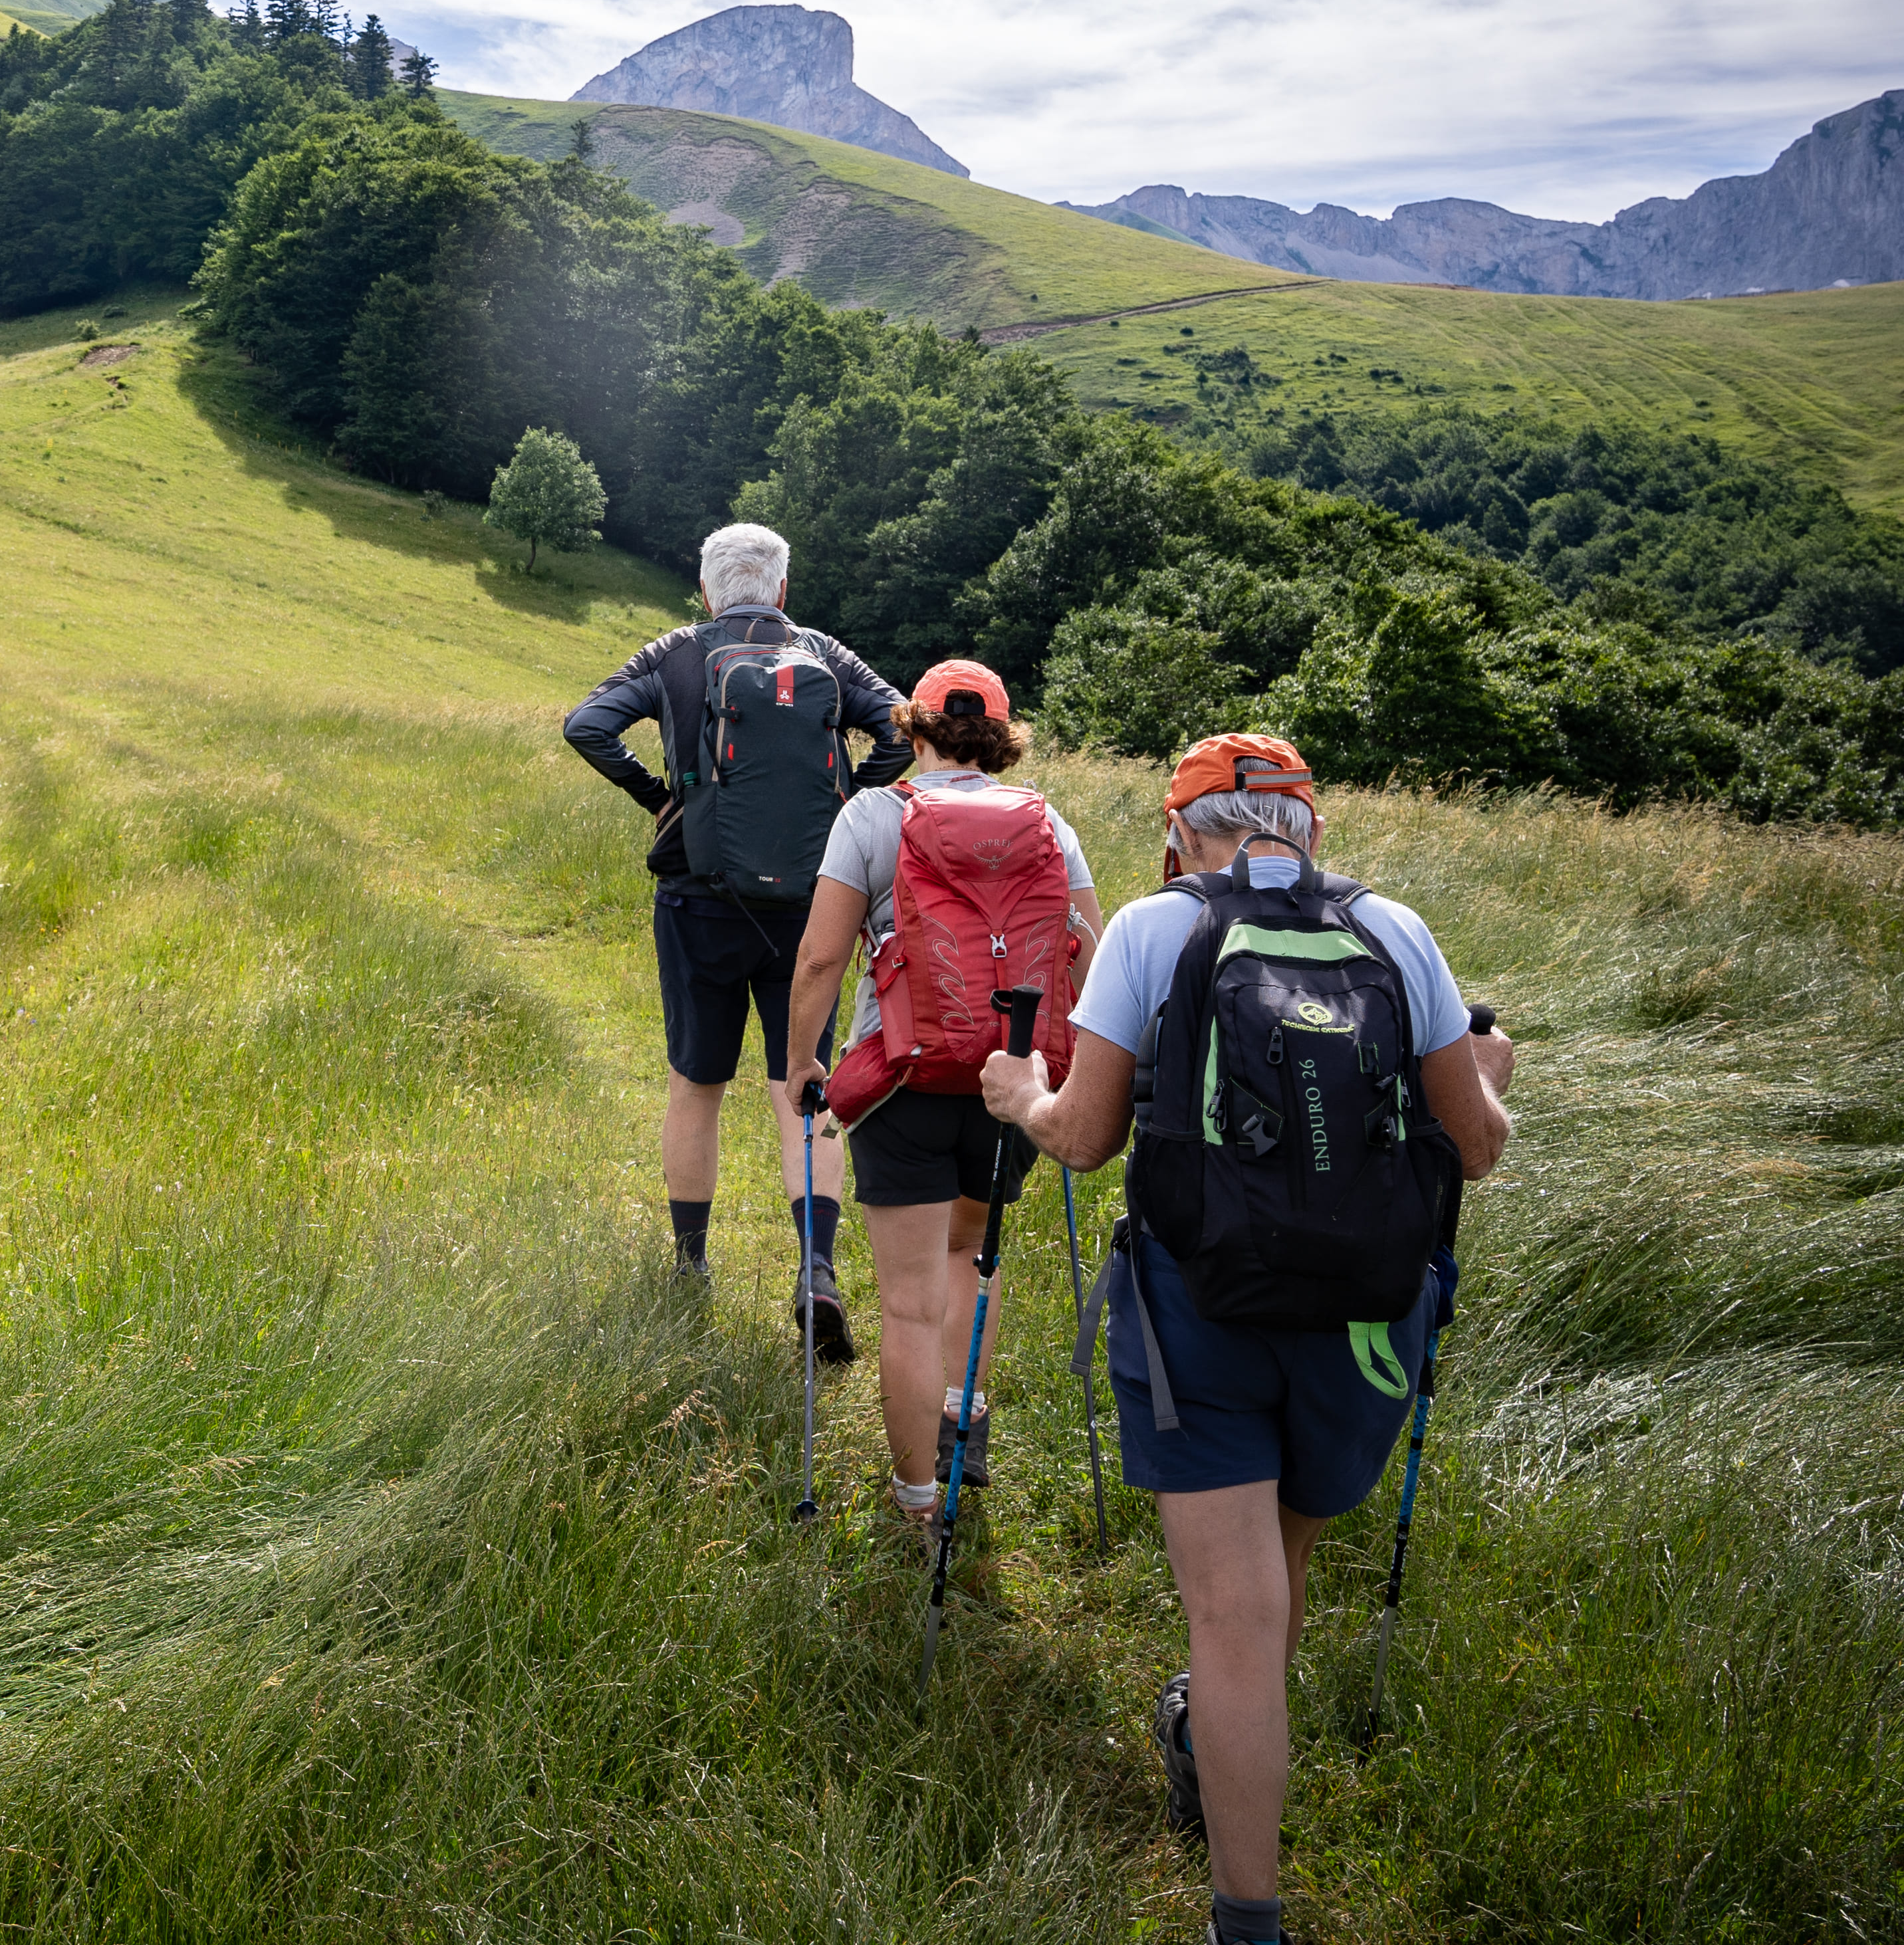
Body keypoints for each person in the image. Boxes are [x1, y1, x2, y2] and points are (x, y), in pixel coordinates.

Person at [975, 733, 1516, 1945]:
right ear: (1309, 829)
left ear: (1178, 835)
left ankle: (1247, 1919)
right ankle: (1212, 1740)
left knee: (1232, 1617)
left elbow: (1084, 1137)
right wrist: (1494, 1072)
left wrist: (1018, 1096)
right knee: (1276, 1583)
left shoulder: (1156, 930)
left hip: (1199, 1311)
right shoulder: (1400, 933)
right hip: (1366, 1321)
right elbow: (1475, 1146)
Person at [562, 520, 908, 1349]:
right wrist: (850, 805)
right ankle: (815, 1269)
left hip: (698, 897)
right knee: (804, 1082)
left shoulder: (673, 650)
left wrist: (659, 798)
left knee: (696, 1084)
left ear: (707, 588)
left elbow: (585, 724)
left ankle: (691, 1267)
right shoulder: (826, 652)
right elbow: (905, 726)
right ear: (783, 589)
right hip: (810, 909)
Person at [780, 661, 1101, 1523]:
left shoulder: (874, 816)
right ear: (999, 739)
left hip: (903, 1076)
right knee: (974, 1258)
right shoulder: (1048, 824)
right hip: (1012, 1084)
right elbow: (1090, 953)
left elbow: (818, 956)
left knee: (910, 1304)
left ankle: (918, 1500)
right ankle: (965, 1422)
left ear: (913, 728)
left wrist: (803, 1060)